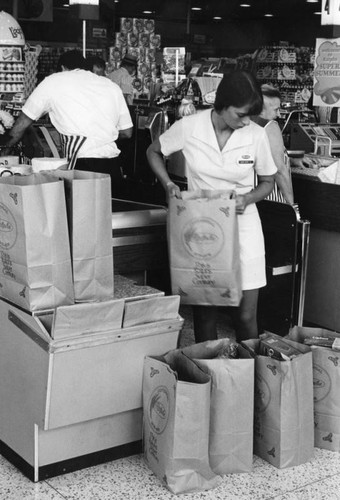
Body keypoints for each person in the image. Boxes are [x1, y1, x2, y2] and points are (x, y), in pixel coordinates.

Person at [146, 70, 277, 343]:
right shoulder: (190, 126)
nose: (246, 121)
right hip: (201, 224)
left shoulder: (255, 135)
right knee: (206, 313)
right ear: (222, 104)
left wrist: (248, 198)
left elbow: (267, 181)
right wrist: (169, 184)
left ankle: (248, 377)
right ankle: (210, 373)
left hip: (244, 223)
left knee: (245, 315)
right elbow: (154, 151)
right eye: (241, 114)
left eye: (251, 115)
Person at [1, 50, 133, 197]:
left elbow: (21, 124)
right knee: (110, 216)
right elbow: (127, 132)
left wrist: (4, 152)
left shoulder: (54, 81)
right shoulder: (111, 86)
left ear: (62, 68)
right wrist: (101, 137)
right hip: (113, 165)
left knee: (78, 217)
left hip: (82, 166)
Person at [252, 84, 294, 204]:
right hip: (272, 200)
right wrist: (292, 206)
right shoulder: (269, 126)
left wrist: (292, 159)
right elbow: (279, 170)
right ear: (260, 109)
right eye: (276, 109)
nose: (279, 114)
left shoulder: (244, 124)